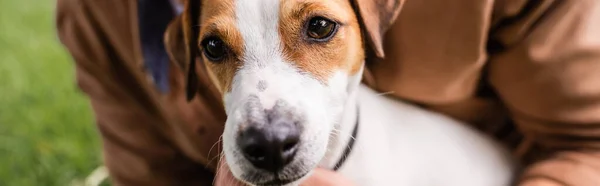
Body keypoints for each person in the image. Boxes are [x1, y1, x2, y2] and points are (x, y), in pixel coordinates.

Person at [56, 0, 600, 185]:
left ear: (369, 28)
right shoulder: (97, 17)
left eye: (317, 30)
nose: (265, 130)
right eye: (218, 50)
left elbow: (588, 142)